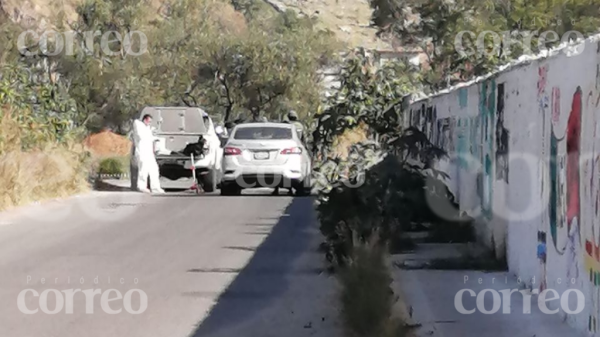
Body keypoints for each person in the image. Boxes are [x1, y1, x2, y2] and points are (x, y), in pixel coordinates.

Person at [132, 114, 164, 194]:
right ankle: (141, 186)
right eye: (149, 121)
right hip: (142, 153)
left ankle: (155, 187)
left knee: (154, 170)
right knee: (143, 170)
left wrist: (158, 125)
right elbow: (142, 136)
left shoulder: (147, 129)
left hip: (149, 153)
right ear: (145, 120)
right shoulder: (139, 126)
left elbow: (151, 136)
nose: (149, 123)